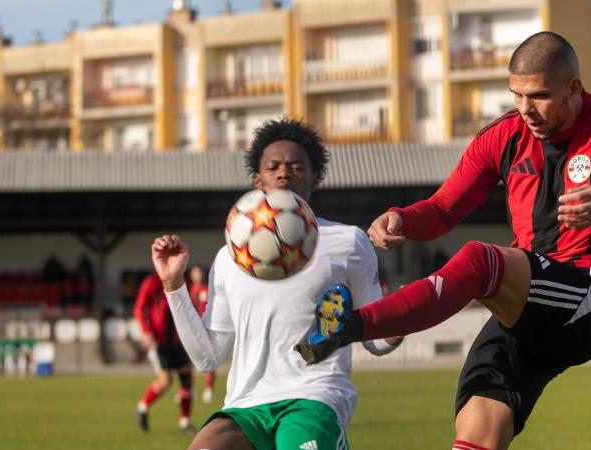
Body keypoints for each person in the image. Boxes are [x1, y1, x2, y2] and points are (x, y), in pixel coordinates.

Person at [296, 31, 591, 449]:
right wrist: (402, 219)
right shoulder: (504, 136)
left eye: (538, 96)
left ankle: (350, 325)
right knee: (479, 423)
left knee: (481, 262)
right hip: (529, 302)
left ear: (574, 88)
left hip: (590, 295)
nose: (524, 109)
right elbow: (444, 208)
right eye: (515, 95)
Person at [151, 118, 404, 450]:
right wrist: (173, 284)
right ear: (258, 179)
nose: (284, 173)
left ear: (316, 178)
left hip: (314, 397)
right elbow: (208, 358)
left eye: (297, 167)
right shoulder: (229, 257)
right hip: (245, 407)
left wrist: (398, 323)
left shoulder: (348, 242)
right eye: (274, 167)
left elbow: (375, 339)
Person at [133, 273, 196, 435]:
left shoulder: (182, 281)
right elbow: (140, 308)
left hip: (179, 339)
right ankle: (141, 408)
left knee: (187, 378)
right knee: (165, 380)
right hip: (160, 341)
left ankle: (184, 422)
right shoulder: (152, 282)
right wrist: (145, 331)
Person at [187, 264, 216, 403]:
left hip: (206, 327)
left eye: (199, 272)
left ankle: (209, 389)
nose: (197, 275)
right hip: (193, 328)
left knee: (209, 358)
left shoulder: (207, 289)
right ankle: (189, 388)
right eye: (195, 272)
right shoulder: (189, 290)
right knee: (190, 360)